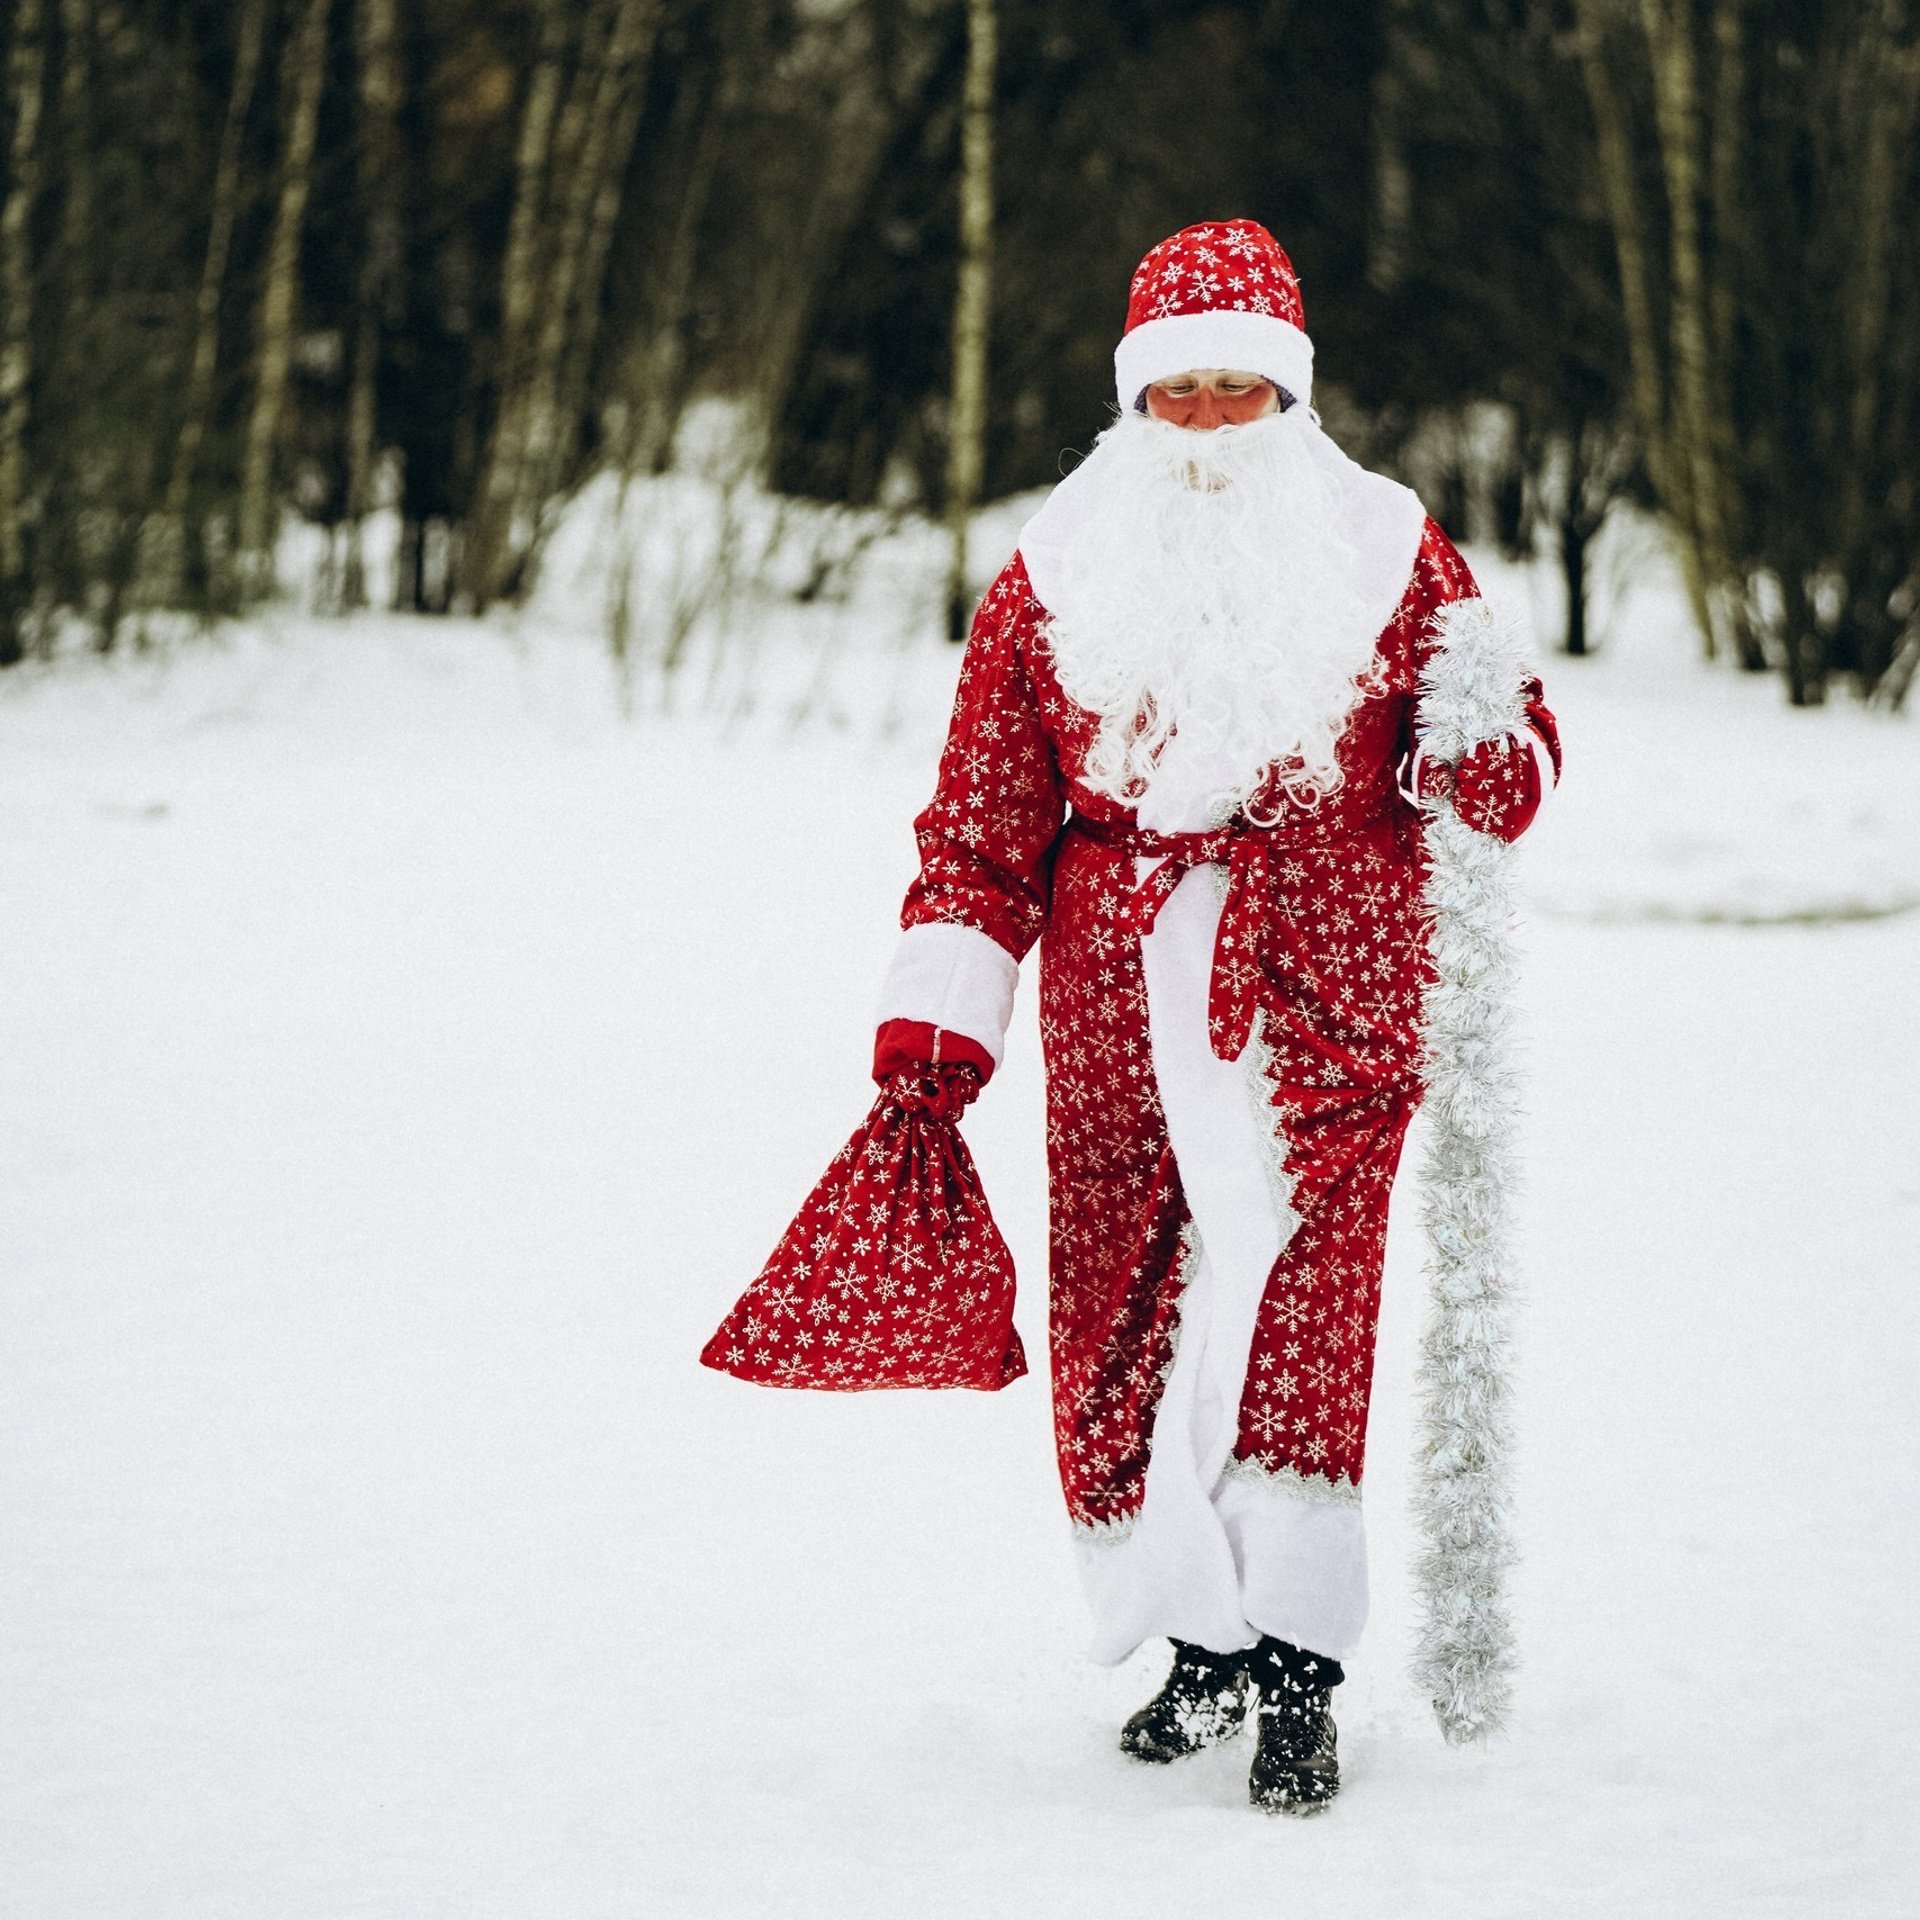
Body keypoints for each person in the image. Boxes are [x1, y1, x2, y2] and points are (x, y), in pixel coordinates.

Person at [870, 220, 1560, 1815]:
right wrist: (940, 1018)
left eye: (1232, 395)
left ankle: (1302, 1666)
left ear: (1290, 399)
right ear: (1129, 401)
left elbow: (1510, 750)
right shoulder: (1052, 568)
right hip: (1114, 1001)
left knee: (1305, 1306)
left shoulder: (1392, 548)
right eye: (1170, 397)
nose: (1199, 431)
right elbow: (979, 823)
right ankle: (1201, 1641)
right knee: (1128, 1310)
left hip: (1328, 981)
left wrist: (1483, 762)